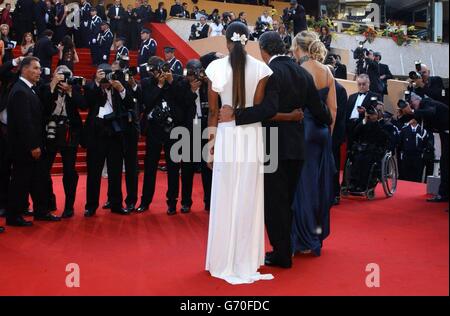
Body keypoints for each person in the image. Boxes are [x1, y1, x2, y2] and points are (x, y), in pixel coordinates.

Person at [220, 31, 331, 268]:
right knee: (287, 200)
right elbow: (324, 114)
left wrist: (235, 114)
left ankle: (282, 253)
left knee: (274, 202)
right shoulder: (303, 73)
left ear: (263, 49)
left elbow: (267, 109)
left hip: (272, 145)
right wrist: (298, 117)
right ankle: (285, 248)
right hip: (298, 147)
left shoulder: (270, 73)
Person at [204, 22, 274, 284]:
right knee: (248, 196)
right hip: (251, 135)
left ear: (226, 42)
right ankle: (244, 259)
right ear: (248, 41)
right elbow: (256, 107)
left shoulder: (215, 68)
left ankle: (221, 260)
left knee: (224, 195)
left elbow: (212, 112)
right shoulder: (262, 69)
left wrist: (209, 147)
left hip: (226, 136)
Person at [290, 31, 337, 257]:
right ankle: (315, 235)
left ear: (299, 47)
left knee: (303, 187)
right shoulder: (327, 71)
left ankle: (304, 238)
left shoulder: (299, 71)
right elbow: (333, 109)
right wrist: (328, 135)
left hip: (304, 131)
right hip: (322, 133)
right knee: (318, 185)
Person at [6, 56, 61, 227]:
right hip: (25, 147)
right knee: (20, 182)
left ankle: (41, 211)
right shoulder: (21, 90)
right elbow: (25, 122)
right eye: (36, 68)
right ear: (24, 69)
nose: (39, 72)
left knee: (38, 180)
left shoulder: (29, 89)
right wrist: (33, 146)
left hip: (32, 144)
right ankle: (13, 216)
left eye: (39, 68)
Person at [82, 64, 134, 217]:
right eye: (102, 77)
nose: (106, 81)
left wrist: (121, 89)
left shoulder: (118, 87)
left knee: (116, 172)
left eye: (107, 78)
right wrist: (97, 83)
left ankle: (116, 203)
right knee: (94, 172)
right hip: (96, 136)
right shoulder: (93, 88)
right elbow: (86, 104)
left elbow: (131, 103)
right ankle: (91, 206)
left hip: (115, 135)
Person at [136, 56, 182, 214]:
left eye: (155, 70)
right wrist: (160, 85)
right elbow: (147, 102)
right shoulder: (146, 83)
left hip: (173, 129)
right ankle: (145, 201)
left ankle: (172, 202)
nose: (153, 73)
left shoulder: (175, 80)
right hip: (153, 130)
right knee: (150, 167)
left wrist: (169, 82)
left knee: (173, 167)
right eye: (150, 70)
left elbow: (182, 100)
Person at [41, 65, 86, 218]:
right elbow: (43, 107)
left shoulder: (74, 88)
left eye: (66, 75)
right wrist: (53, 86)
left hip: (69, 132)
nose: (63, 78)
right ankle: (49, 202)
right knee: (44, 169)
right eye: (59, 75)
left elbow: (83, 105)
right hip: (50, 130)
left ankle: (69, 206)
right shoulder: (47, 87)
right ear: (54, 75)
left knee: (69, 171)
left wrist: (70, 90)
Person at [175, 59, 213, 212]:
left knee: (207, 168)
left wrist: (205, 84)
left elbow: (213, 105)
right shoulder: (182, 86)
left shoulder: (207, 85)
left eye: (195, 72)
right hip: (188, 129)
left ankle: (209, 201)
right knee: (187, 168)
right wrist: (191, 91)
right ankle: (186, 202)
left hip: (205, 127)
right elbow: (181, 108)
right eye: (189, 73)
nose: (192, 76)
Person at [102, 61, 140, 213]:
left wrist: (122, 89)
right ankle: (113, 199)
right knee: (113, 167)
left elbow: (133, 103)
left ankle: (131, 201)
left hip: (130, 131)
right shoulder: (106, 86)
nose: (114, 75)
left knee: (131, 168)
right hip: (113, 131)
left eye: (117, 72)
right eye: (112, 72)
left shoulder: (130, 84)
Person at [400, 93, 449, 203]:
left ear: (417, 100)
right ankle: (443, 194)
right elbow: (409, 119)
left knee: (446, 163)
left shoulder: (426, 102)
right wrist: (405, 112)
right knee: (444, 164)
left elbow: (431, 112)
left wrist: (412, 111)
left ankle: (443, 194)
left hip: (446, 130)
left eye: (412, 103)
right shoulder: (420, 110)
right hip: (444, 132)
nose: (411, 105)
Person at [0, 56, 23, 232]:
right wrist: (15, 61)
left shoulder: (20, 86)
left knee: (18, 173)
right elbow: (3, 71)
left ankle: (16, 206)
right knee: (2, 171)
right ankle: (3, 204)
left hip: (16, 135)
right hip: (2, 133)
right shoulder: (4, 85)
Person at [345, 74, 380, 149]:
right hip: (349, 125)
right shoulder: (351, 96)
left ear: (369, 83)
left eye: (364, 84)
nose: (361, 86)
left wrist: (365, 112)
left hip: (363, 125)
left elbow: (375, 112)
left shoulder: (374, 96)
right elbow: (346, 112)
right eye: (359, 84)